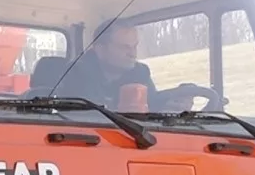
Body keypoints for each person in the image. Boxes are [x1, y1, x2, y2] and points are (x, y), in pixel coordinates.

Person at [55, 19, 195, 111]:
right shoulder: (77, 73)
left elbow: (151, 103)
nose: (133, 54)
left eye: (135, 46)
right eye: (124, 47)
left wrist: (172, 106)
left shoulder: (140, 73)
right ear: (100, 49)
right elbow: (81, 117)